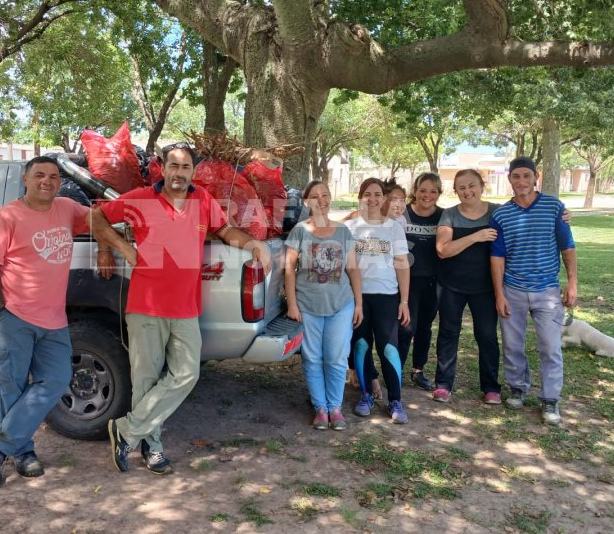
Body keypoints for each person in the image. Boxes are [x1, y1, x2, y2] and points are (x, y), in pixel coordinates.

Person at [97, 142, 271, 474]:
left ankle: (127, 430)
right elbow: (97, 216)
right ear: (162, 168)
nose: (179, 173)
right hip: (146, 305)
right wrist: (116, 247)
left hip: (186, 306)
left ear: (193, 171)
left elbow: (224, 230)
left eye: (186, 167)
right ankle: (153, 449)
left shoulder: (203, 200)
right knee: (146, 379)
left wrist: (252, 243)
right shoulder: (140, 199)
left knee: (187, 374)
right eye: (173, 166)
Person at [0, 156, 115, 487]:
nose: (47, 181)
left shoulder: (66, 208)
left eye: (53, 176)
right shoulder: (7, 216)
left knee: (56, 379)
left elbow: (99, 217)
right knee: (12, 384)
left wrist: (105, 249)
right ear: (26, 179)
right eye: (40, 175)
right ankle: (23, 453)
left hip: (53, 318)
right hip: (14, 316)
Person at [490, 156, 577, 426]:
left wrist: (572, 282)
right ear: (510, 180)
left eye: (526, 176)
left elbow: (568, 247)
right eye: (516, 176)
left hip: (547, 291)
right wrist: (499, 294)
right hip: (512, 289)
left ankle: (550, 399)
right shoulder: (502, 214)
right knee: (513, 345)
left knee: (550, 347)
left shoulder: (554, 207)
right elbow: (497, 257)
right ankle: (517, 388)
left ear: (536, 177)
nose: (521, 181)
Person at [285, 180, 363, 430]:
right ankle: (320, 408)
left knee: (337, 357)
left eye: (326, 195)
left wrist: (358, 303)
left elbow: (352, 268)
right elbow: (289, 269)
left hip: (341, 305)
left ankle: (335, 407)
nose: (322, 200)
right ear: (306, 202)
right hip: (308, 305)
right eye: (315, 196)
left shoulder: (342, 231)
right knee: (312, 357)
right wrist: (292, 305)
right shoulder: (299, 231)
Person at [433, 169, 503, 404]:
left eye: (471, 185)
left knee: (486, 336)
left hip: (485, 287)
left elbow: (525, 216)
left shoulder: (497, 212)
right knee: (448, 334)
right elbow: (443, 250)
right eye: (461, 187)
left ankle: (491, 387)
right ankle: (443, 384)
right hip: (451, 285)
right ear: (456, 191)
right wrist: (476, 236)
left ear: (482, 187)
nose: (467, 191)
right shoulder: (450, 215)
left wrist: (563, 214)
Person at [346, 178, 411, 424]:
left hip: (387, 297)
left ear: (384, 199)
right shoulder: (350, 227)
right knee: (361, 345)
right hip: (358, 297)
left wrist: (404, 301)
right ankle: (365, 396)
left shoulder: (394, 227)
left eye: (377, 195)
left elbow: (402, 265)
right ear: (360, 197)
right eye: (367, 194)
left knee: (388, 348)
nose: (372, 199)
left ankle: (395, 399)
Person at [399, 172, 444, 391]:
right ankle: (395, 369)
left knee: (425, 327)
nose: (427, 195)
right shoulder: (403, 214)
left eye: (433, 191)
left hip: (433, 280)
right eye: (423, 190)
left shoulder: (444, 216)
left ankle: (418, 370)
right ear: (414, 191)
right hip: (408, 280)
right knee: (406, 326)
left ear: (439, 194)